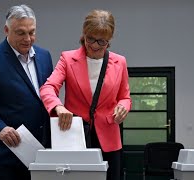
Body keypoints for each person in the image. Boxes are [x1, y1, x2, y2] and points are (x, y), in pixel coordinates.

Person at [40, 9, 131, 180]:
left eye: (101, 41)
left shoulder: (120, 62)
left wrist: (123, 107)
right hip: (75, 137)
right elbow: (48, 88)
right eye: (90, 39)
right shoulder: (67, 59)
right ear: (84, 34)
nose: (95, 45)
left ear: (109, 40)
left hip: (109, 139)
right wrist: (58, 107)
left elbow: (125, 97)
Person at [0, 4, 53, 180]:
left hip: (38, 151)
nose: (28, 39)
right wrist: (0, 128)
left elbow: (46, 94)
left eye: (32, 32)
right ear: (7, 30)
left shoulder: (45, 57)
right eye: (21, 33)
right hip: (3, 153)